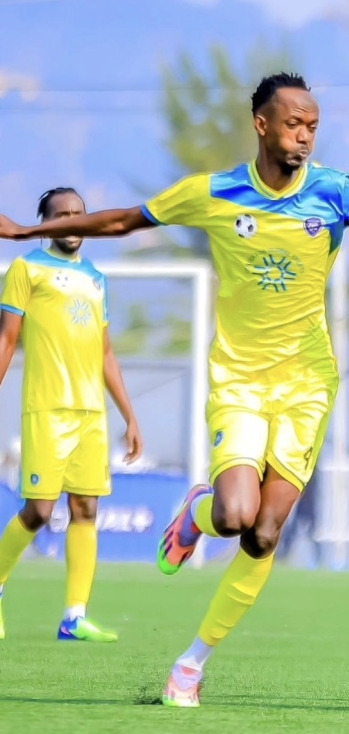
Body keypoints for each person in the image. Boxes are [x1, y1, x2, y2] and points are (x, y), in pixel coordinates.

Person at [0, 73, 349, 707]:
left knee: (264, 533)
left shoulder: (337, 192)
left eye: (313, 126)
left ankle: (191, 663)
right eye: (293, 123)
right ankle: (198, 514)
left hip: (307, 384)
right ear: (261, 124)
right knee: (234, 516)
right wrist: (26, 234)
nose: (304, 135)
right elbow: (126, 220)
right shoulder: (215, 192)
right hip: (237, 378)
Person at [0, 187, 143, 642]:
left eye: (78, 214)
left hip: (91, 413)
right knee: (39, 511)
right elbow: (7, 339)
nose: (71, 221)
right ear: (46, 223)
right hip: (47, 407)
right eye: (61, 214)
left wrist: (129, 416)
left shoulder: (97, 278)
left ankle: (74, 616)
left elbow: (105, 353)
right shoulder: (27, 269)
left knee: (86, 508)